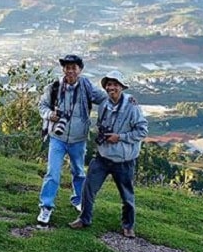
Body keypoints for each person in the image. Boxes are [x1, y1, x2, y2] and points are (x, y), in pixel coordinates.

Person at [69, 70, 148, 239]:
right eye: (109, 85)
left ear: (121, 87)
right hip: (103, 156)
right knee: (88, 188)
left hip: (124, 160)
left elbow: (142, 131)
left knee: (127, 196)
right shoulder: (104, 104)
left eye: (115, 85)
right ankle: (84, 219)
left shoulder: (132, 106)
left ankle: (128, 226)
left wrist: (120, 137)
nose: (111, 87)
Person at [37, 54, 107, 227]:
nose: (70, 71)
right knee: (52, 173)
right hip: (57, 138)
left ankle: (78, 200)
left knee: (79, 172)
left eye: (73, 67)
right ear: (63, 69)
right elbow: (42, 106)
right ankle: (46, 207)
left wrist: (126, 101)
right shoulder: (54, 87)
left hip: (78, 139)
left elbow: (106, 98)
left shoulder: (87, 87)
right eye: (67, 67)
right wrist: (49, 115)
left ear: (80, 70)